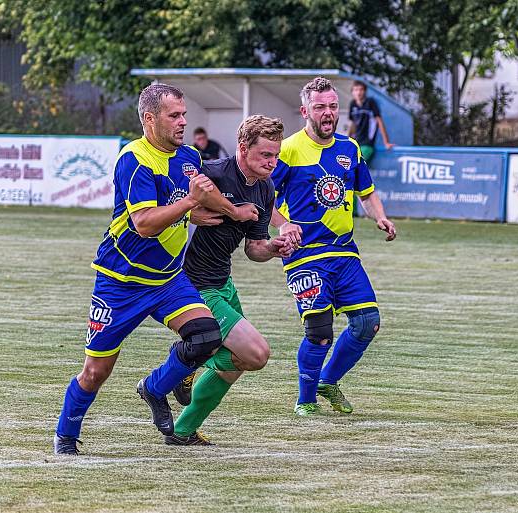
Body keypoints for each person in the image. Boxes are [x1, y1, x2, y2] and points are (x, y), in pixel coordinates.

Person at [52, 83, 258, 455]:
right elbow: (145, 222)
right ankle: (66, 434)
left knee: (206, 336)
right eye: (174, 116)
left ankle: (155, 388)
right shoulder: (134, 159)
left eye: (183, 115)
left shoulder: (189, 157)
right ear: (150, 119)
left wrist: (228, 212)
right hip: (120, 283)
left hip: (167, 280)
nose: (183, 122)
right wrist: (192, 203)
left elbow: (188, 202)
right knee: (96, 372)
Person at [270, 77, 397, 416]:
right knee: (319, 331)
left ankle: (328, 380)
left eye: (332, 106)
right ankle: (306, 399)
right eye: (319, 107)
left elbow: (366, 192)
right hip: (305, 254)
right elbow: (262, 195)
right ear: (304, 111)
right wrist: (283, 224)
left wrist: (380, 217)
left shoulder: (349, 148)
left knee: (367, 322)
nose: (328, 113)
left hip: (344, 251)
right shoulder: (288, 149)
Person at [166, 114, 295, 445]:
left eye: (276, 155)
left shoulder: (265, 190)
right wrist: (191, 210)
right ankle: (186, 360)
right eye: (266, 155)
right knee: (257, 353)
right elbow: (172, 201)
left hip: (223, 282)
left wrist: (273, 247)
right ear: (242, 148)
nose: (272, 162)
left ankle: (182, 431)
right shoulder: (213, 173)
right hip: (193, 284)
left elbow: (253, 249)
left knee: (238, 362)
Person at [347, 80, 394, 164]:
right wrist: (347, 140)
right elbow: (353, 124)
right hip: (355, 143)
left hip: (367, 144)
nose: (358, 92)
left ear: (365, 91)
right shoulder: (352, 104)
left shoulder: (370, 102)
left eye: (361, 89)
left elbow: (379, 121)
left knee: (356, 164)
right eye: (356, 90)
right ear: (352, 92)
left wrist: (386, 142)